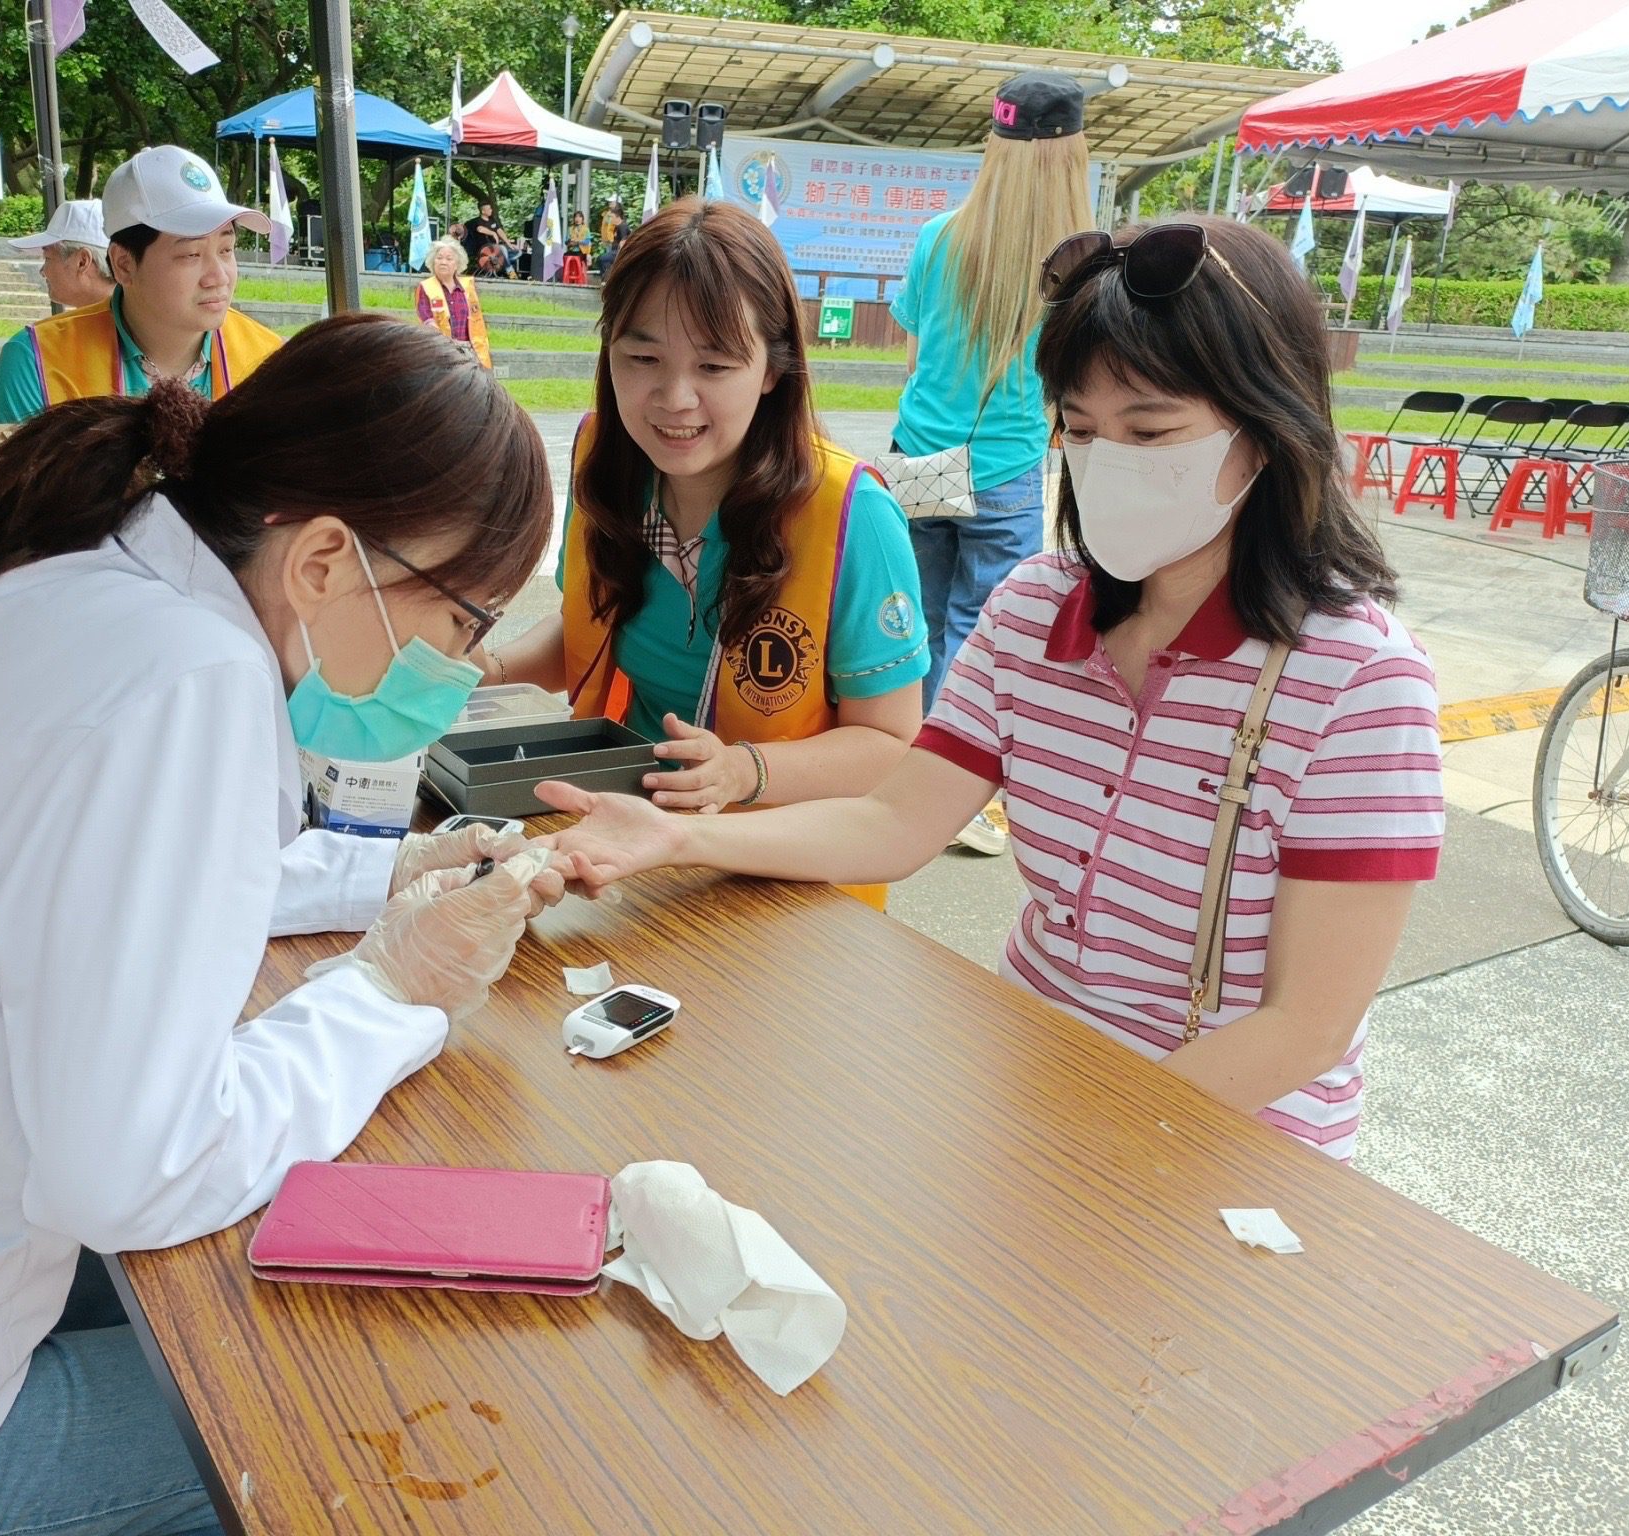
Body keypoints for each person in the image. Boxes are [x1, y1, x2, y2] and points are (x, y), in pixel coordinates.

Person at [0, 314, 579, 1535]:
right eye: (466, 619)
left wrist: (376, 881)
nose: (463, 664)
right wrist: (389, 997)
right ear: (326, 560)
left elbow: (67, 883)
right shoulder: (193, 683)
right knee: (350, 1429)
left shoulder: (84, 591)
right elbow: (133, 1174)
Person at [545, 216, 1445, 1164]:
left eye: (1152, 431)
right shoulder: (1034, 610)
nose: (1108, 463)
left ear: (1270, 428)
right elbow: (894, 824)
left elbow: (1304, 1026)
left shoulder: (1360, 681)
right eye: (1083, 430)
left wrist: (1083, 1154)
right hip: (1026, 1077)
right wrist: (682, 837)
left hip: (1228, 1139)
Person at [482, 198, 928, 908]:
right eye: (643, 357)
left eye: (716, 365)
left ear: (774, 369)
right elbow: (594, 621)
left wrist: (740, 772)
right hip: (628, 837)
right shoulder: (605, 460)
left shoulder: (851, 514)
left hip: (789, 875)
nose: (674, 399)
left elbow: (888, 742)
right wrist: (489, 669)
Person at [890, 71, 1091, 854]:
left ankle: (904, 768)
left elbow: (916, 355)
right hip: (1004, 467)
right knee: (979, 635)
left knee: (914, 626)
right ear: (1071, 156)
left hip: (919, 456)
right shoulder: (1079, 261)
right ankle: (951, 800)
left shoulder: (940, 237)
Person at [0, 146, 283, 424]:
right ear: (124, 265)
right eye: (191, 254)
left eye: (226, 250)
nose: (219, 276)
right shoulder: (38, 362)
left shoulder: (270, 362)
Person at [8, 196, 116, 310]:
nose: (42, 271)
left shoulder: (93, 326)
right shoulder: (130, 320)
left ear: (82, 261)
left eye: (47, 258)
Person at [414, 238, 493, 368]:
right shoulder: (425, 287)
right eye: (439, 258)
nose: (443, 262)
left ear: (457, 264)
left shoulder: (468, 287)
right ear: (433, 261)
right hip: (440, 349)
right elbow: (426, 318)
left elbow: (476, 320)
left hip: (470, 349)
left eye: (449, 259)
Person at [463, 200, 504, 267]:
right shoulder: (477, 221)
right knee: (503, 250)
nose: (491, 210)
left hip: (493, 246)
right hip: (484, 247)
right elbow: (480, 229)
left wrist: (509, 243)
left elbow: (499, 230)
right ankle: (510, 271)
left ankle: (505, 269)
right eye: (489, 209)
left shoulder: (492, 220)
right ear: (483, 211)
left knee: (509, 250)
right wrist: (493, 233)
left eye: (491, 208)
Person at [598, 195, 629, 278]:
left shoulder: (623, 227)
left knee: (603, 259)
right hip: (613, 247)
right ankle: (606, 278)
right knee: (603, 259)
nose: (610, 220)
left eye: (612, 218)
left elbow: (623, 242)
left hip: (618, 252)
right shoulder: (617, 225)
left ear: (617, 217)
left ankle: (607, 279)